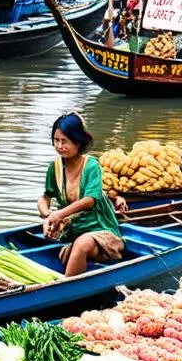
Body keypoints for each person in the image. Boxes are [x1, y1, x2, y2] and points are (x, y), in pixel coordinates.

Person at [37, 112, 126, 277]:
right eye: (56, 140)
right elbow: (45, 196)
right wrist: (47, 215)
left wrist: (59, 214)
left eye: (65, 141)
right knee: (78, 242)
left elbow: (90, 201)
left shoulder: (91, 166)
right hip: (74, 230)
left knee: (82, 244)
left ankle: (64, 289)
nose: (59, 146)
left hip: (100, 228)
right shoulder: (54, 168)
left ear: (78, 142)